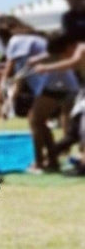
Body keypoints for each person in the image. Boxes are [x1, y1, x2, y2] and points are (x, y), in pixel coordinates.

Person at [34, 40, 85, 175]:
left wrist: (46, 68)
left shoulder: (82, 48)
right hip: (81, 94)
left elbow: (73, 62)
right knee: (73, 134)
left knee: (79, 133)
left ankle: (52, 159)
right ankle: (51, 159)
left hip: (77, 94)